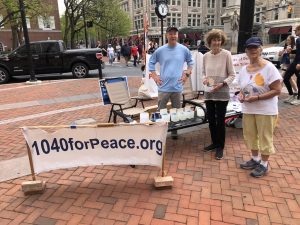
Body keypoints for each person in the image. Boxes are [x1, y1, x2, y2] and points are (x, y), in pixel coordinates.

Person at [237, 37, 282, 178]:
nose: (253, 50)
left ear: (260, 49)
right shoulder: (244, 69)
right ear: (246, 51)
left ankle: (264, 163)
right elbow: (242, 88)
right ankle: (255, 159)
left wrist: (256, 98)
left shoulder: (269, 67)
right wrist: (241, 95)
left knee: (264, 137)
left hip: (266, 110)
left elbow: (277, 90)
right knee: (250, 135)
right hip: (249, 109)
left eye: (255, 47)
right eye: (250, 48)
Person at [149, 26, 194, 139]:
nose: (173, 35)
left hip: (177, 87)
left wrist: (186, 75)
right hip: (163, 87)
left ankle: (175, 132)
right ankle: (159, 134)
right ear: (166, 35)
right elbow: (151, 63)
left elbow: (191, 62)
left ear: (177, 35)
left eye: (175, 33)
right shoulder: (160, 50)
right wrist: (155, 76)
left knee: (177, 112)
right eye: (170, 33)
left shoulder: (184, 50)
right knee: (160, 112)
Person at [202, 29, 235, 160]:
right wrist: (205, 79)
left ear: (222, 41)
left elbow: (232, 75)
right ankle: (214, 142)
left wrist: (222, 84)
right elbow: (203, 73)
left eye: (219, 40)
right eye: (214, 40)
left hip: (222, 92)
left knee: (220, 121)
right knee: (211, 120)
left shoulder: (226, 54)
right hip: (209, 92)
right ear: (210, 41)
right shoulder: (205, 56)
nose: (216, 42)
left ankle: (220, 146)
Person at [283, 25, 300, 105]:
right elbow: (298, 51)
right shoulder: (298, 40)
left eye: (296, 30)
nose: (295, 32)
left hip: (298, 63)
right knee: (286, 78)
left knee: (299, 80)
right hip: (295, 62)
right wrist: (292, 51)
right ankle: (291, 95)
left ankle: (299, 99)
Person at [279, 35, 297, 103]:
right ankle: (296, 91)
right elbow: (280, 56)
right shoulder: (286, 47)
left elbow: (294, 57)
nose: (287, 41)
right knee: (289, 79)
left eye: (289, 40)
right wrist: (282, 52)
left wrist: (290, 52)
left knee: (281, 78)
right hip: (284, 65)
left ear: (292, 41)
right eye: (287, 40)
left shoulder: (294, 47)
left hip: (290, 65)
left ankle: (277, 93)